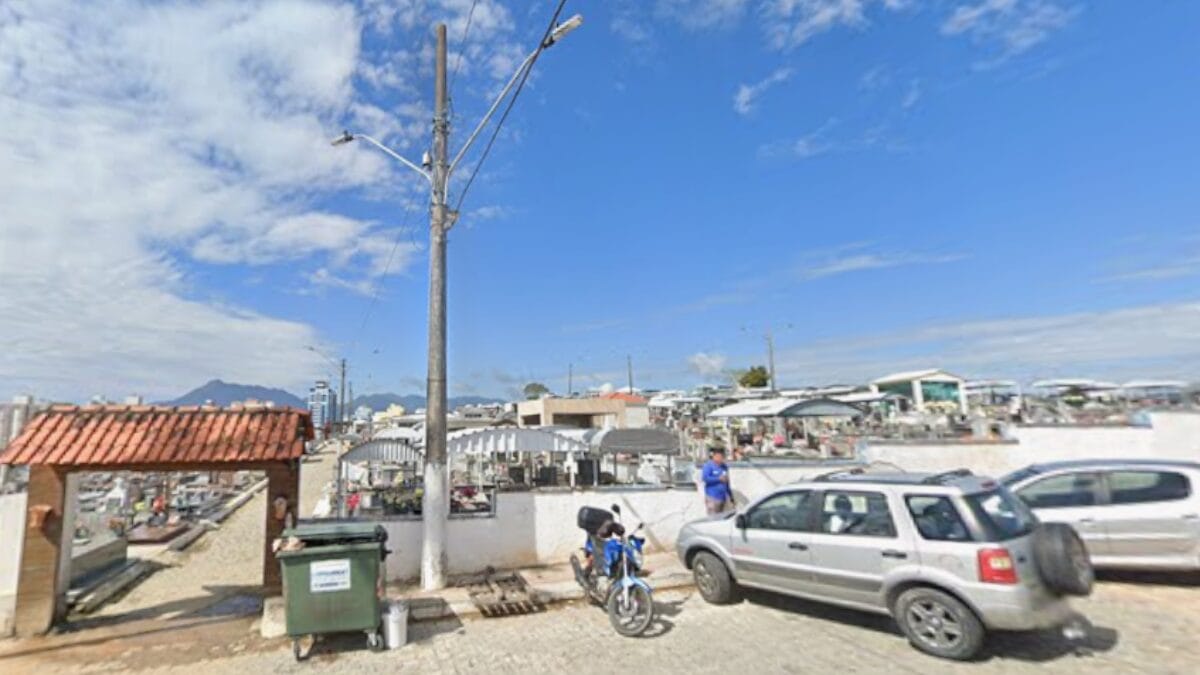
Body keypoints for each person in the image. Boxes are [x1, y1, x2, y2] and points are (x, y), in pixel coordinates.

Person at [701, 448, 732, 515]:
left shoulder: (724, 467)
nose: (720, 458)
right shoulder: (708, 466)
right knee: (713, 518)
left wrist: (730, 496)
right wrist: (718, 479)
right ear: (714, 456)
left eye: (721, 457)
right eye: (718, 456)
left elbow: (727, 482)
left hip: (723, 497)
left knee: (722, 518)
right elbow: (705, 478)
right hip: (712, 497)